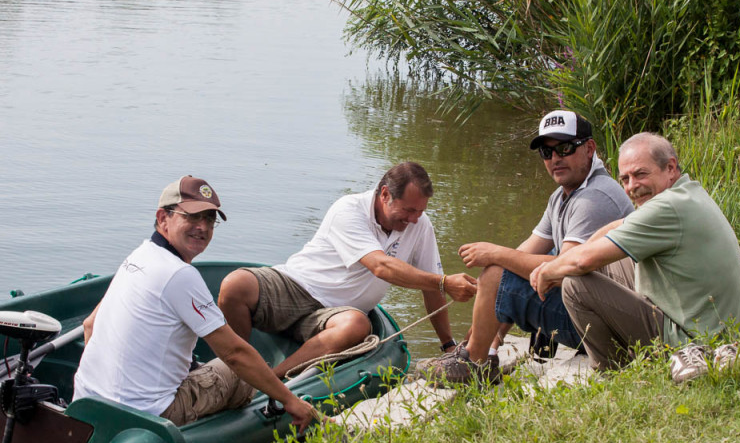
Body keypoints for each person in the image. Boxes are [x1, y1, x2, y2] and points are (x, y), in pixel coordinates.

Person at [74, 176, 316, 429]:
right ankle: (229, 431)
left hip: (87, 402)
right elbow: (234, 354)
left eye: (209, 219)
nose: (202, 227)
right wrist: (290, 401)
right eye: (191, 216)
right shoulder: (179, 274)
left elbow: (91, 324)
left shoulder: (138, 256)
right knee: (240, 373)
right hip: (148, 415)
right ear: (162, 218)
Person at [421, 110, 633, 384]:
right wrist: (486, 321)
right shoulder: (562, 196)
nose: (555, 158)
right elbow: (523, 256)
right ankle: (483, 352)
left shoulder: (595, 197)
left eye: (565, 148)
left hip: (606, 322)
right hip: (591, 309)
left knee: (499, 272)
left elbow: (564, 267)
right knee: (502, 271)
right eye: (547, 152)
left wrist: (495, 254)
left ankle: (475, 364)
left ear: (589, 148)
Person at [217, 162, 478, 379]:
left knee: (356, 325)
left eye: (420, 211)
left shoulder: (420, 226)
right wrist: (445, 282)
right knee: (235, 284)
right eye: (409, 210)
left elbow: (431, 287)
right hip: (297, 286)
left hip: (335, 315)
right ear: (385, 194)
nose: (413, 219)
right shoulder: (349, 209)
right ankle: (235, 372)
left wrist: (448, 345)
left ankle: (269, 379)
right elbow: (380, 266)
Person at [530, 133, 740, 377]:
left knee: (574, 284)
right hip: (710, 323)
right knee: (609, 258)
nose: (632, 186)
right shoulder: (685, 193)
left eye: (641, 174)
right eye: (625, 179)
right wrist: (565, 260)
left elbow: (583, 261)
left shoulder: (667, 208)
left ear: (670, 168)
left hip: (693, 340)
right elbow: (618, 226)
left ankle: (614, 373)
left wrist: (549, 270)